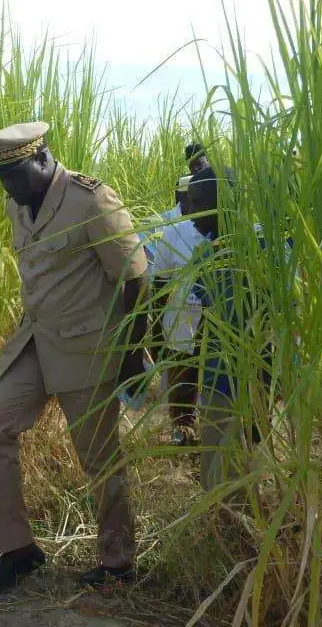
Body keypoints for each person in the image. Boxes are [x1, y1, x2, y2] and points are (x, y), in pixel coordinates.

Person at [0, 121, 149, 591]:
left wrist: (132, 355)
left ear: (43, 159)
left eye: (15, 174)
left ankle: (118, 562)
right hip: (35, 342)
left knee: (99, 458)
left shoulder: (91, 200)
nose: (7, 187)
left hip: (86, 348)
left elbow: (135, 279)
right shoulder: (19, 201)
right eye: (2, 177)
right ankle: (18, 550)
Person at [186, 168, 292, 492]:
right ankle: (231, 533)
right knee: (218, 475)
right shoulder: (205, 253)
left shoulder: (266, 248)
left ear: (224, 204)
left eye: (197, 203)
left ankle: (246, 536)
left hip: (253, 378)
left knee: (241, 472)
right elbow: (203, 318)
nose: (188, 213)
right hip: (218, 378)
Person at [146, 175, 204, 446]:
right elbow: (159, 286)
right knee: (182, 387)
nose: (190, 208)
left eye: (197, 201)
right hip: (182, 325)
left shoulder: (238, 233)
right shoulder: (174, 233)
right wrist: (156, 332)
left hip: (218, 331)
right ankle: (182, 435)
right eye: (188, 200)